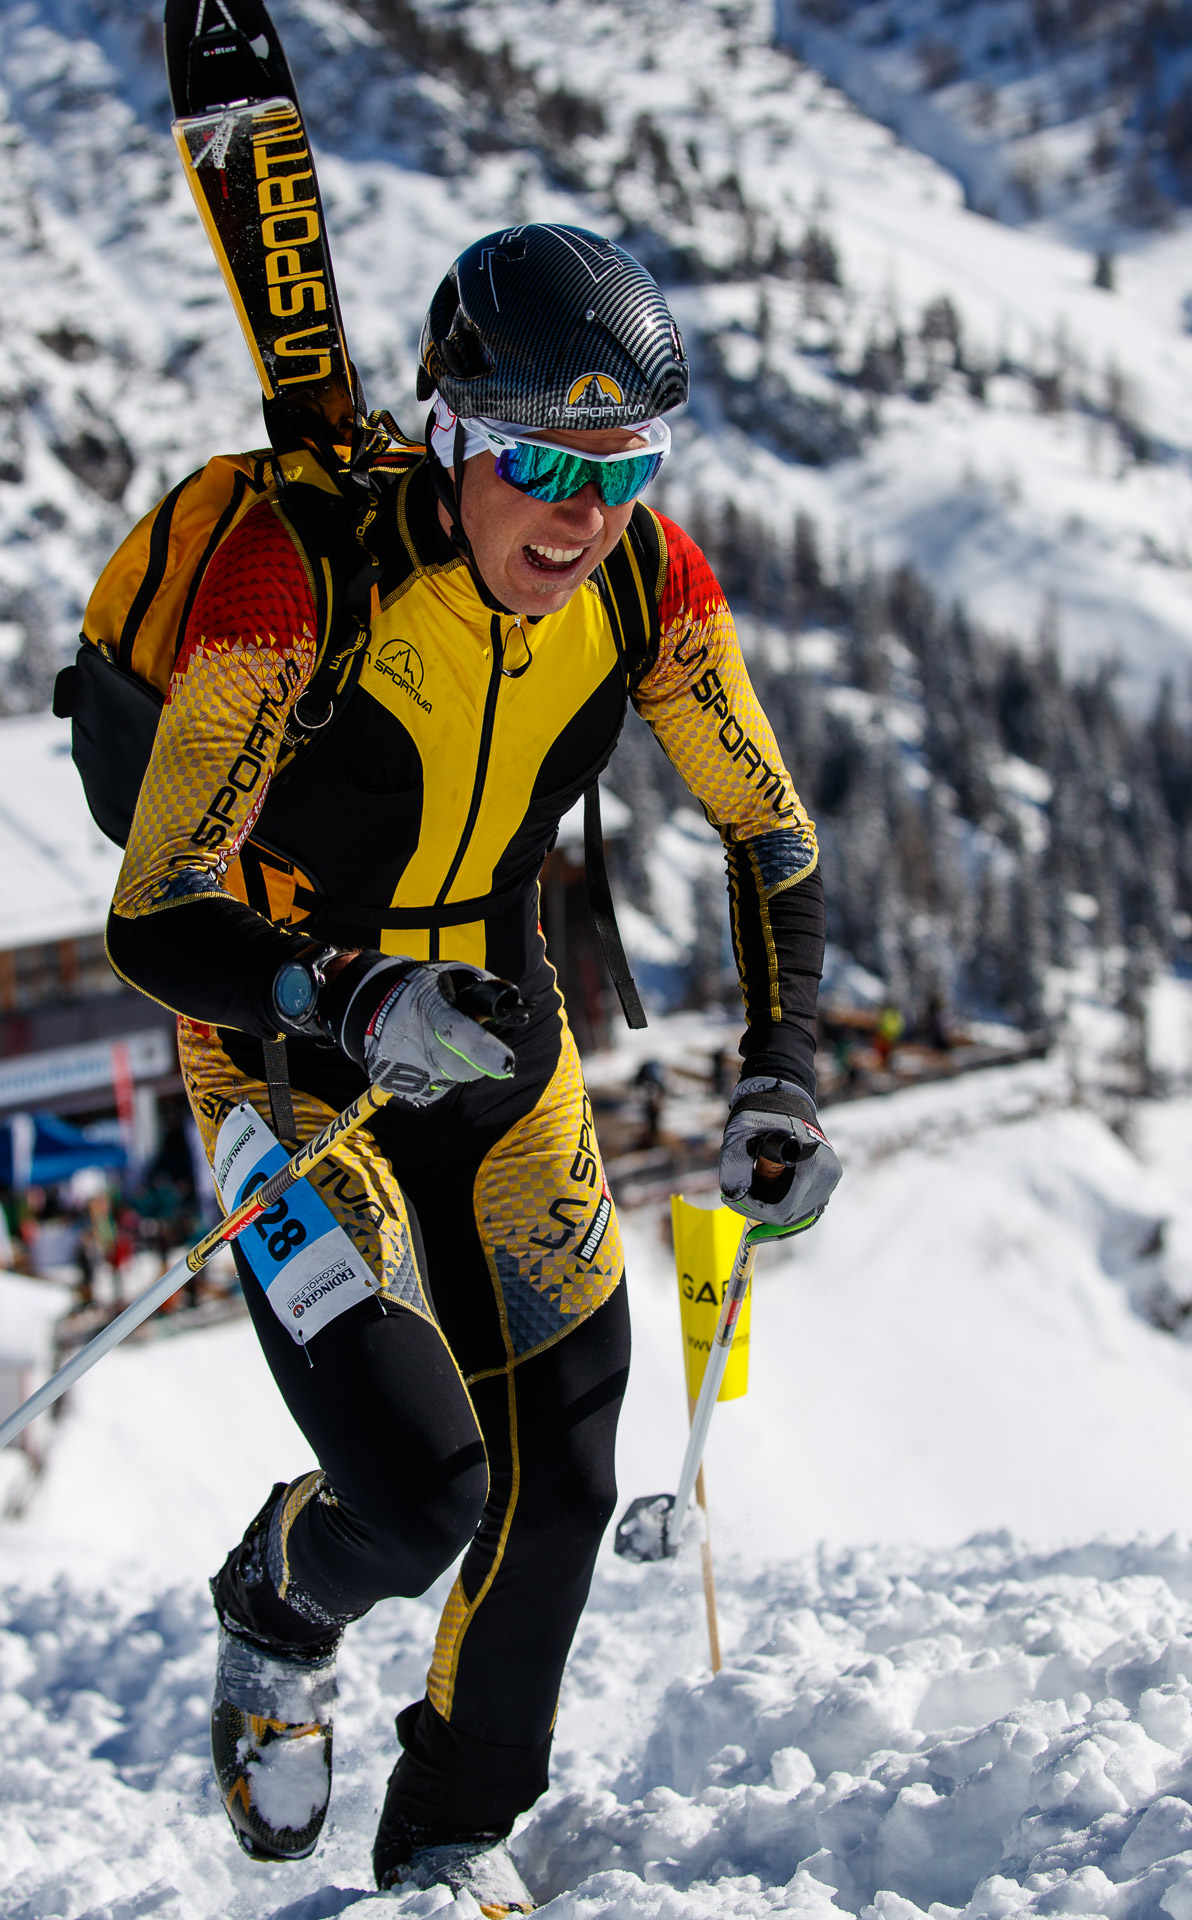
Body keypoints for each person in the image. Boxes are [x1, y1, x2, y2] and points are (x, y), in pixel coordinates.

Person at [105, 223, 841, 1910]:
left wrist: (782, 1065)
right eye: (536, 463)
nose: (581, 518)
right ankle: (283, 1601)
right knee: (425, 1489)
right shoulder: (301, 578)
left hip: (507, 1068)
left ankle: (450, 1834)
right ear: (449, 435)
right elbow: (158, 916)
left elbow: (768, 832)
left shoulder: (651, 581)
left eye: (623, 468)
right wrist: (343, 997)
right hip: (293, 1069)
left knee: (564, 1483)